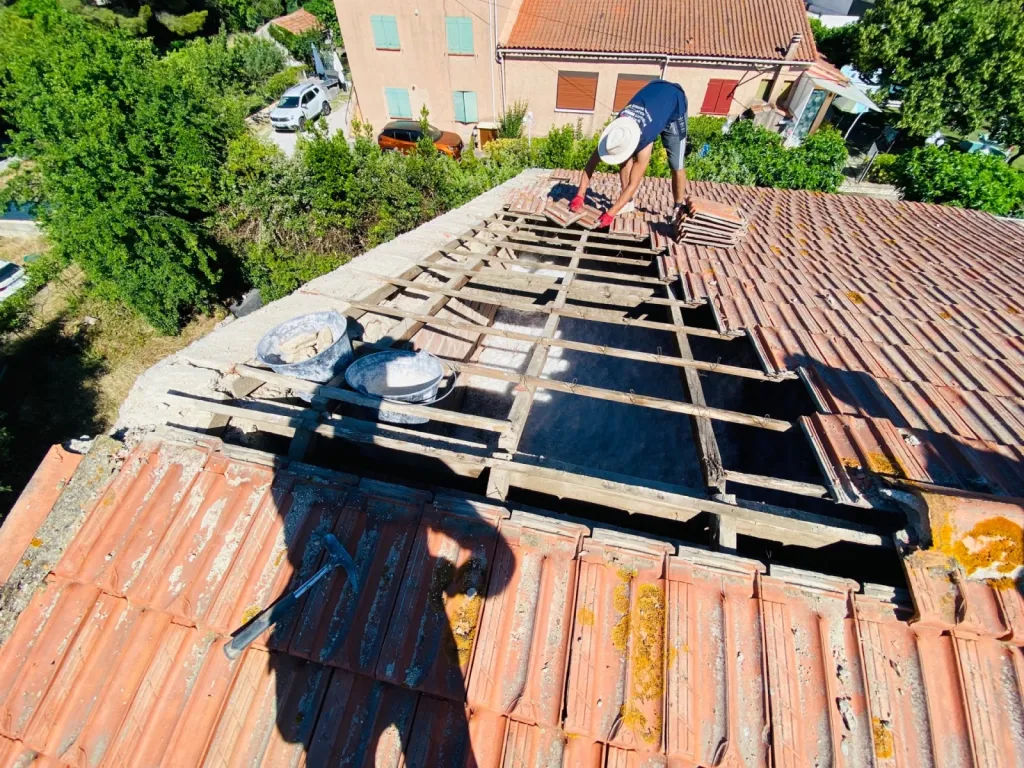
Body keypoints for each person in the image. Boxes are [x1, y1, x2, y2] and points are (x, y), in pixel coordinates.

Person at [569, 79, 688, 228]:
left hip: (673, 102)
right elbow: (590, 165)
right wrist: (579, 195)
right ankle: (627, 202)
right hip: (654, 89)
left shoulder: (644, 141)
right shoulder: (614, 134)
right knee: (623, 158)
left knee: (676, 164)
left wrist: (610, 214)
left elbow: (634, 183)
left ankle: (678, 206)